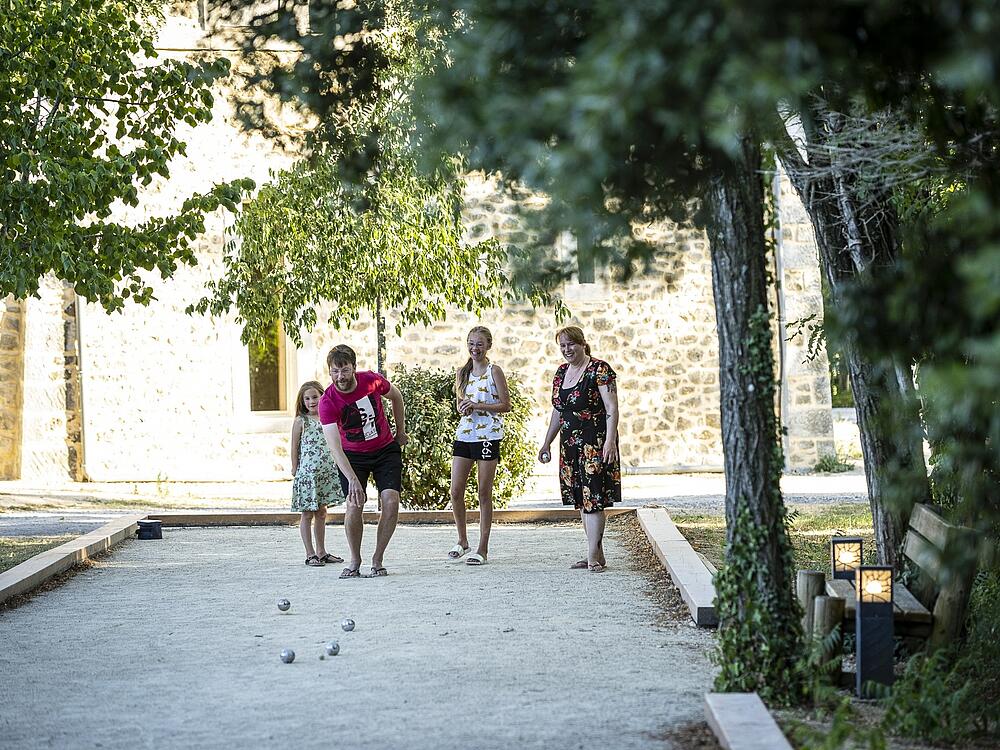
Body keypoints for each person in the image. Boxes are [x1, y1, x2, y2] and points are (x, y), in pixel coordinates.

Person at [319, 345, 408, 578]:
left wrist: (401, 431)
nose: (340, 377)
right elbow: (334, 447)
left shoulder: (370, 381)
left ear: (354, 368)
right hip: (352, 457)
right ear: (330, 372)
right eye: (335, 372)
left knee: (391, 501)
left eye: (345, 370)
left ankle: (377, 559)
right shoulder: (327, 401)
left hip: (384, 449)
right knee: (354, 504)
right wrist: (352, 480)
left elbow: (396, 395)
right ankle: (355, 560)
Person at [538, 325, 621, 572]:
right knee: (581, 499)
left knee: (593, 497)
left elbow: (612, 408)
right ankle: (596, 554)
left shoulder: (599, 369)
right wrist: (546, 442)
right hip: (570, 445)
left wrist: (609, 442)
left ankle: (592, 556)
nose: (566, 350)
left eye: (571, 344)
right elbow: (558, 410)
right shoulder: (561, 372)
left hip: (594, 442)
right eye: (562, 346)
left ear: (583, 343)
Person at [447, 326, 511, 566]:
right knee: (455, 491)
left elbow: (506, 405)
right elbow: (460, 404)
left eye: (479, 344)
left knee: (484, 492)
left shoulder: (495, 371)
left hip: (488, 435)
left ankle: (482, 548)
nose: (475, 348)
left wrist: (479, 406)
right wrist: (464, 406)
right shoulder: (462, 373)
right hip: (465, 435)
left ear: (488, 346)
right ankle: (462, 540)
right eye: (471, 344)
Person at [291, 381, 346, 567]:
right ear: (302, 401)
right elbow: (294, 446)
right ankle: (310, 553)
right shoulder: (301, 421)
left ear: (322, 396)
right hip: (307, 474)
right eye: (307, 398)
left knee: (322, 512)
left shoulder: (329, 417)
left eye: (315, 397)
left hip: (325, 472)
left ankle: (322, 552)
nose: (311, 401)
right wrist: (294, 467)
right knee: (307, 514)